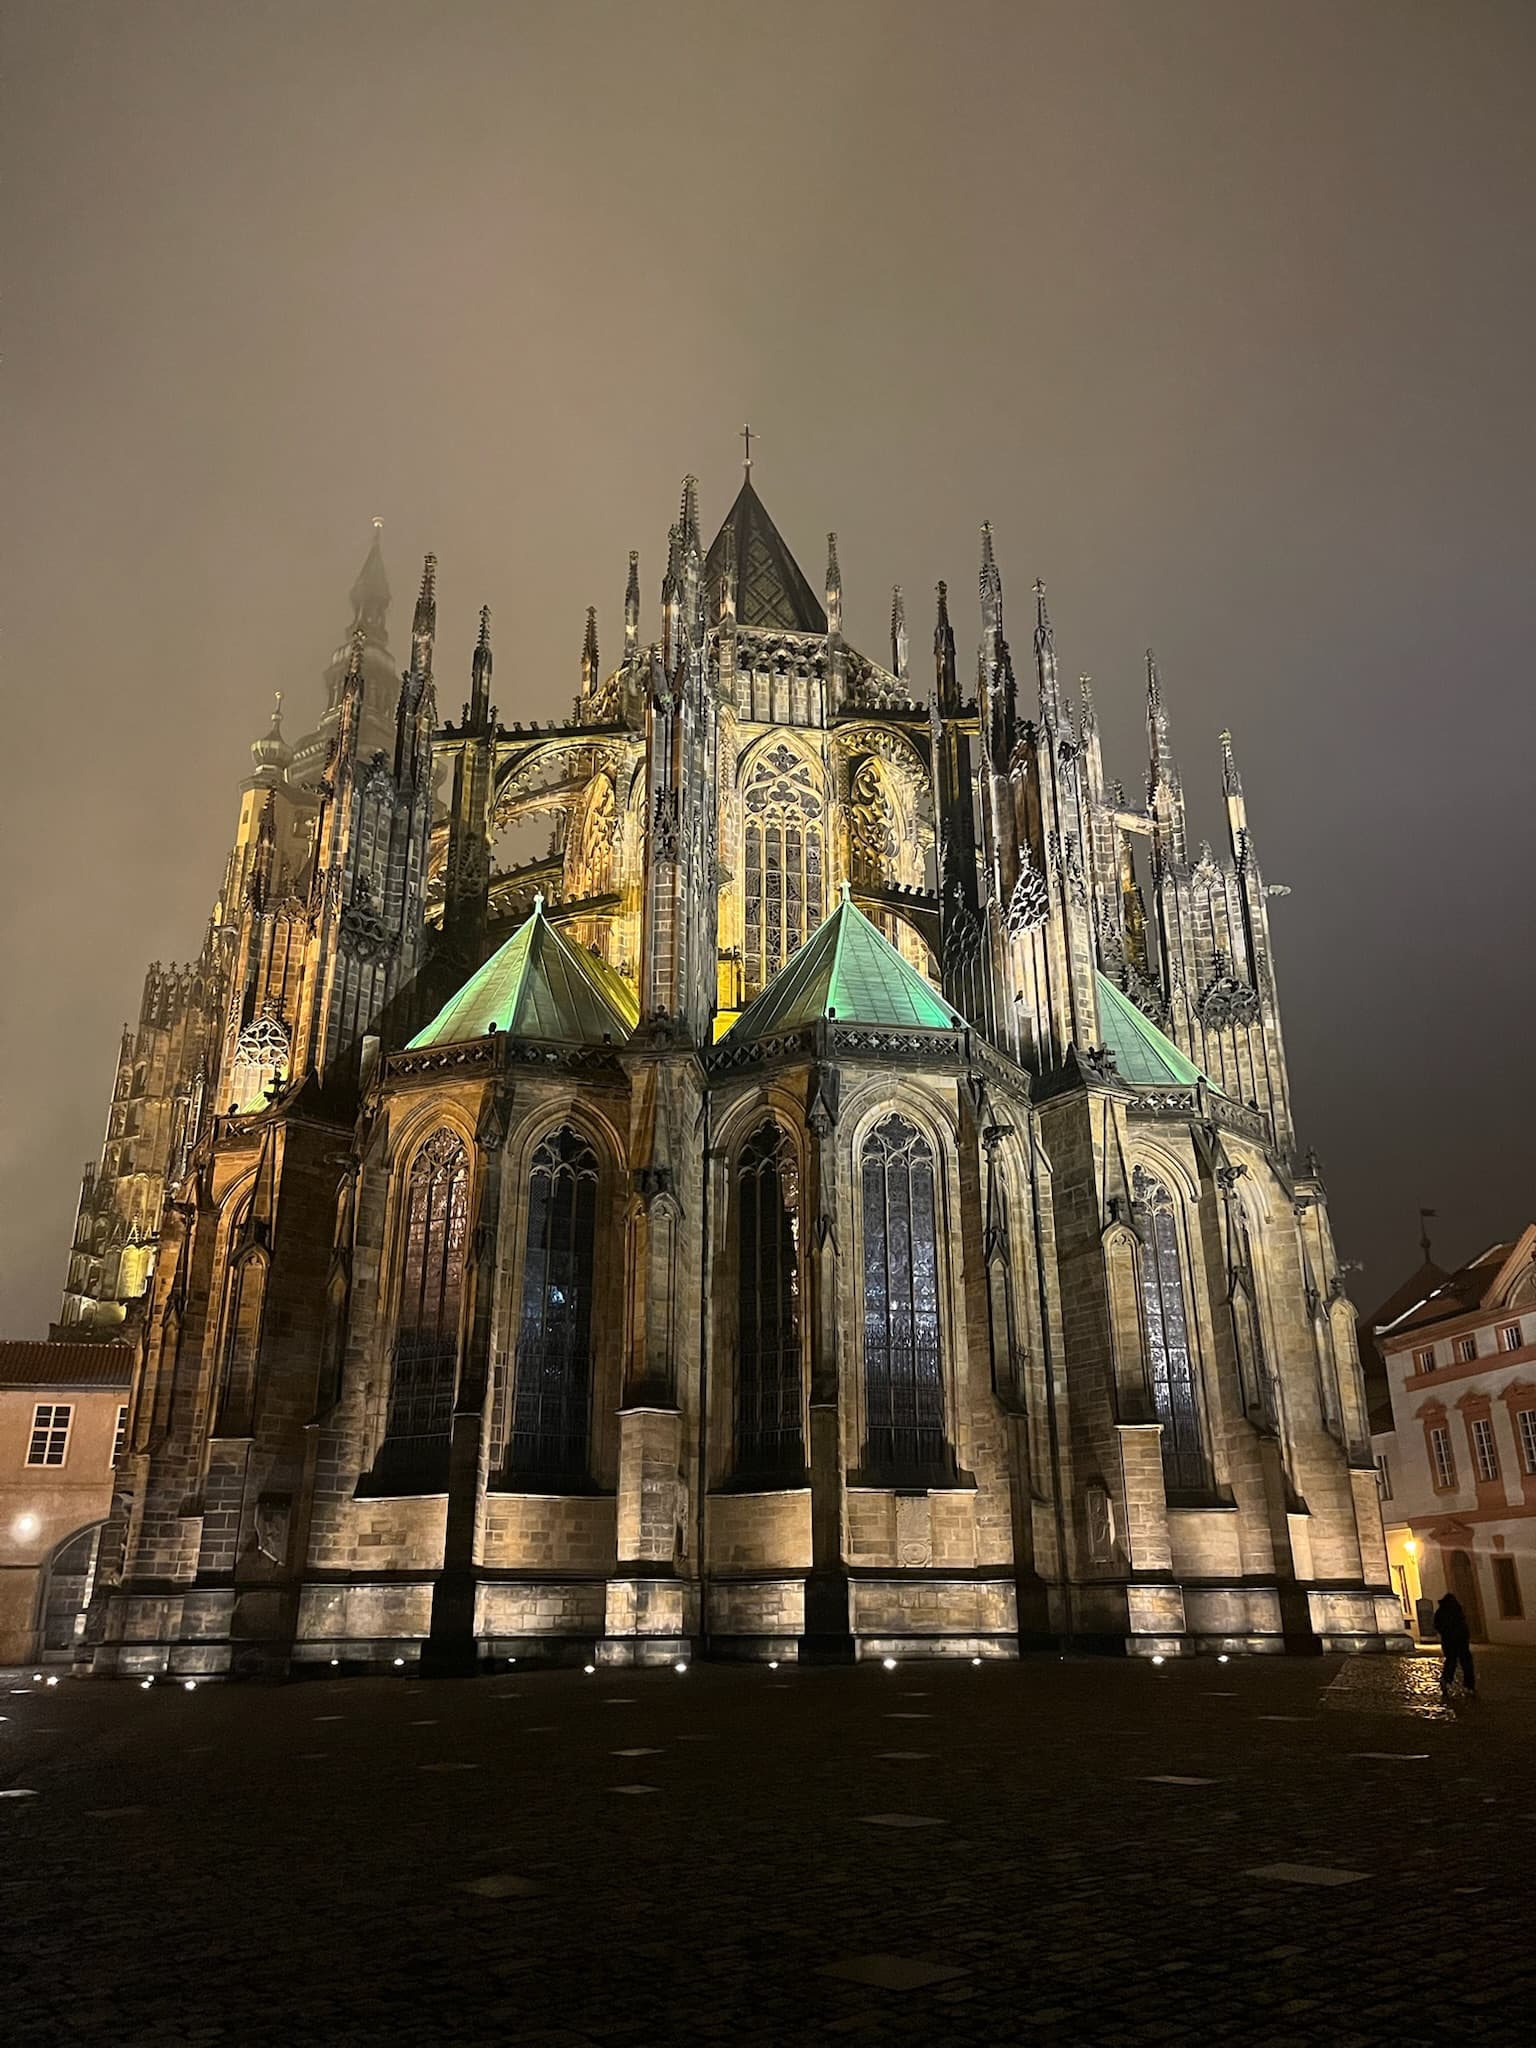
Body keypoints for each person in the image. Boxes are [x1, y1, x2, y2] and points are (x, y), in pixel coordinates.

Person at [1433, 1590, 1476, 1694]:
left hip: (1448, 1641)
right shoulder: (1457, 1610)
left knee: (1451, 1661)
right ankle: (1469, 1685)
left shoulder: (1441, 1611)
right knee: (1466, 1663)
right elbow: (1463, 1624)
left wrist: (1445, 1633)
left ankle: (1446, 1680)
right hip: (1461, 1640)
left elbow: (1437, 1625)